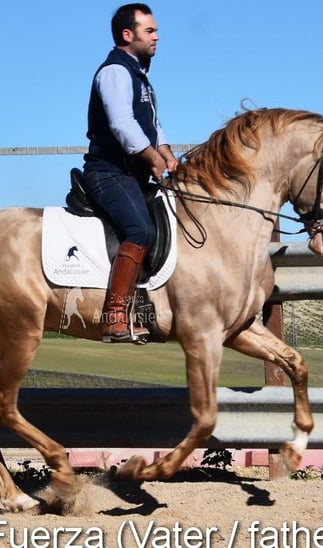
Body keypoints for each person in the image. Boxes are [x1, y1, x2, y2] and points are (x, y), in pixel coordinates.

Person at [82, 3, 179, 344]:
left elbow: (152, 125)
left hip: (131, 175)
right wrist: (153, 158)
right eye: (149, 30)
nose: (157, 36)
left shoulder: (139, 76)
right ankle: (115, 317)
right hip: (109, 173)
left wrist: (167, 154)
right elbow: (122, 124)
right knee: (140, 229)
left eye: (155, 30)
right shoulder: (115, 72)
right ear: (128, 34)